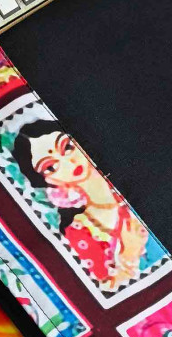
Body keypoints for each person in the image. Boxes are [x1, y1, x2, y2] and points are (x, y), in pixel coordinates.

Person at [12, 120, 156, 290]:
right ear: (47, 181)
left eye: (67, 147)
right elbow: (109, 289)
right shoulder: (78, 232)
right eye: (50, 167)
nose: (68, 162)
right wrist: (129, 253)